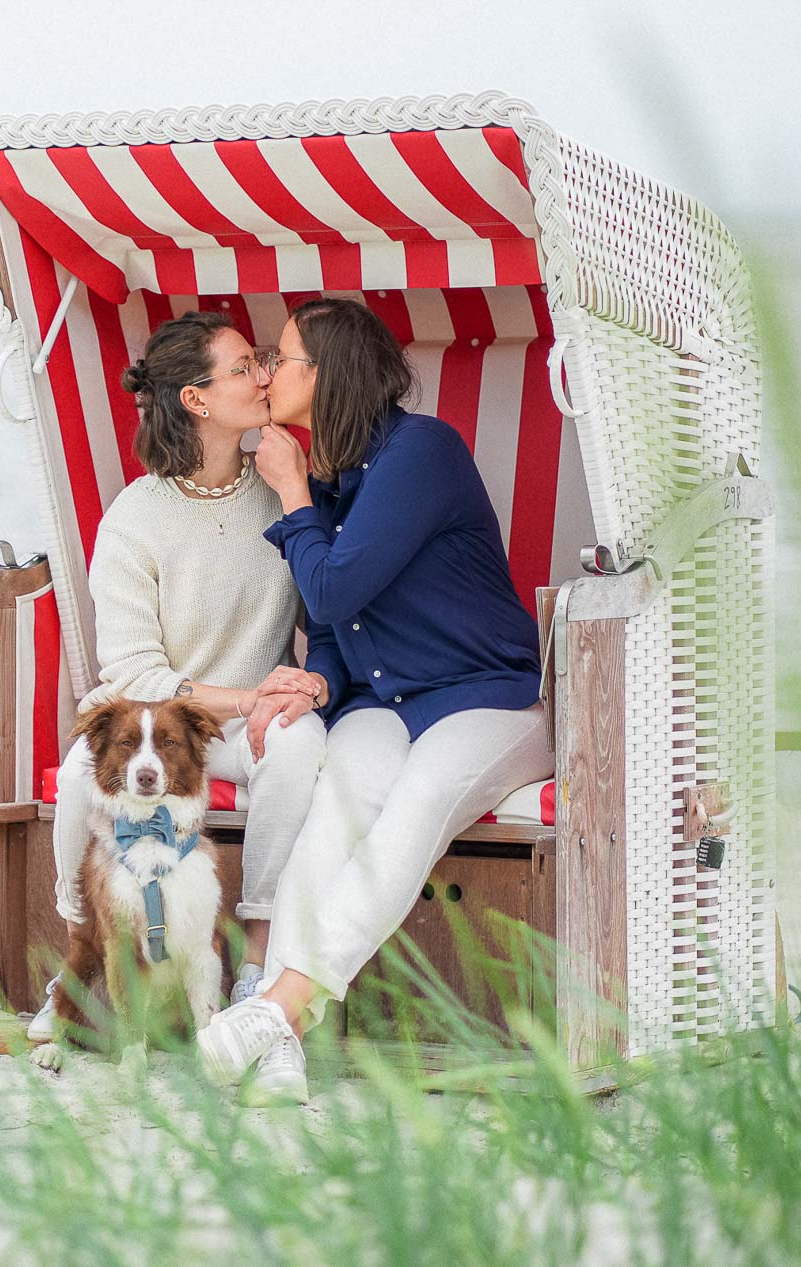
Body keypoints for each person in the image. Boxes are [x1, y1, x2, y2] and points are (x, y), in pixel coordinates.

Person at [194, 298, 554, 1103]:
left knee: (417, 802)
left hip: (488, 700)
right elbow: (337, 623)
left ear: (326, 374)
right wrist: (318, 677)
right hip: (387, 703)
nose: (268, 371)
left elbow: (336, 583)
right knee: (337, 803)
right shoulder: (335, 477)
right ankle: (282, 1045)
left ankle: (276, 1006)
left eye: (280, 358)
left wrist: (289, 490)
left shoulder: (420, 452)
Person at [29, 309, 329, 1042]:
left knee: (298, 743)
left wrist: (295, 686)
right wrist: (248, 693)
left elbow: (328, 602)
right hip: (156, 728)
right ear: (196, 399)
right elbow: (132, 671)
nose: (263, 376)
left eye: (263, 361)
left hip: (246, 723)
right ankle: (80, 955)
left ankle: (254, 959)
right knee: (76, 774)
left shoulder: (284, 488)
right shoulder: (136, 517)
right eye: (242, 368)